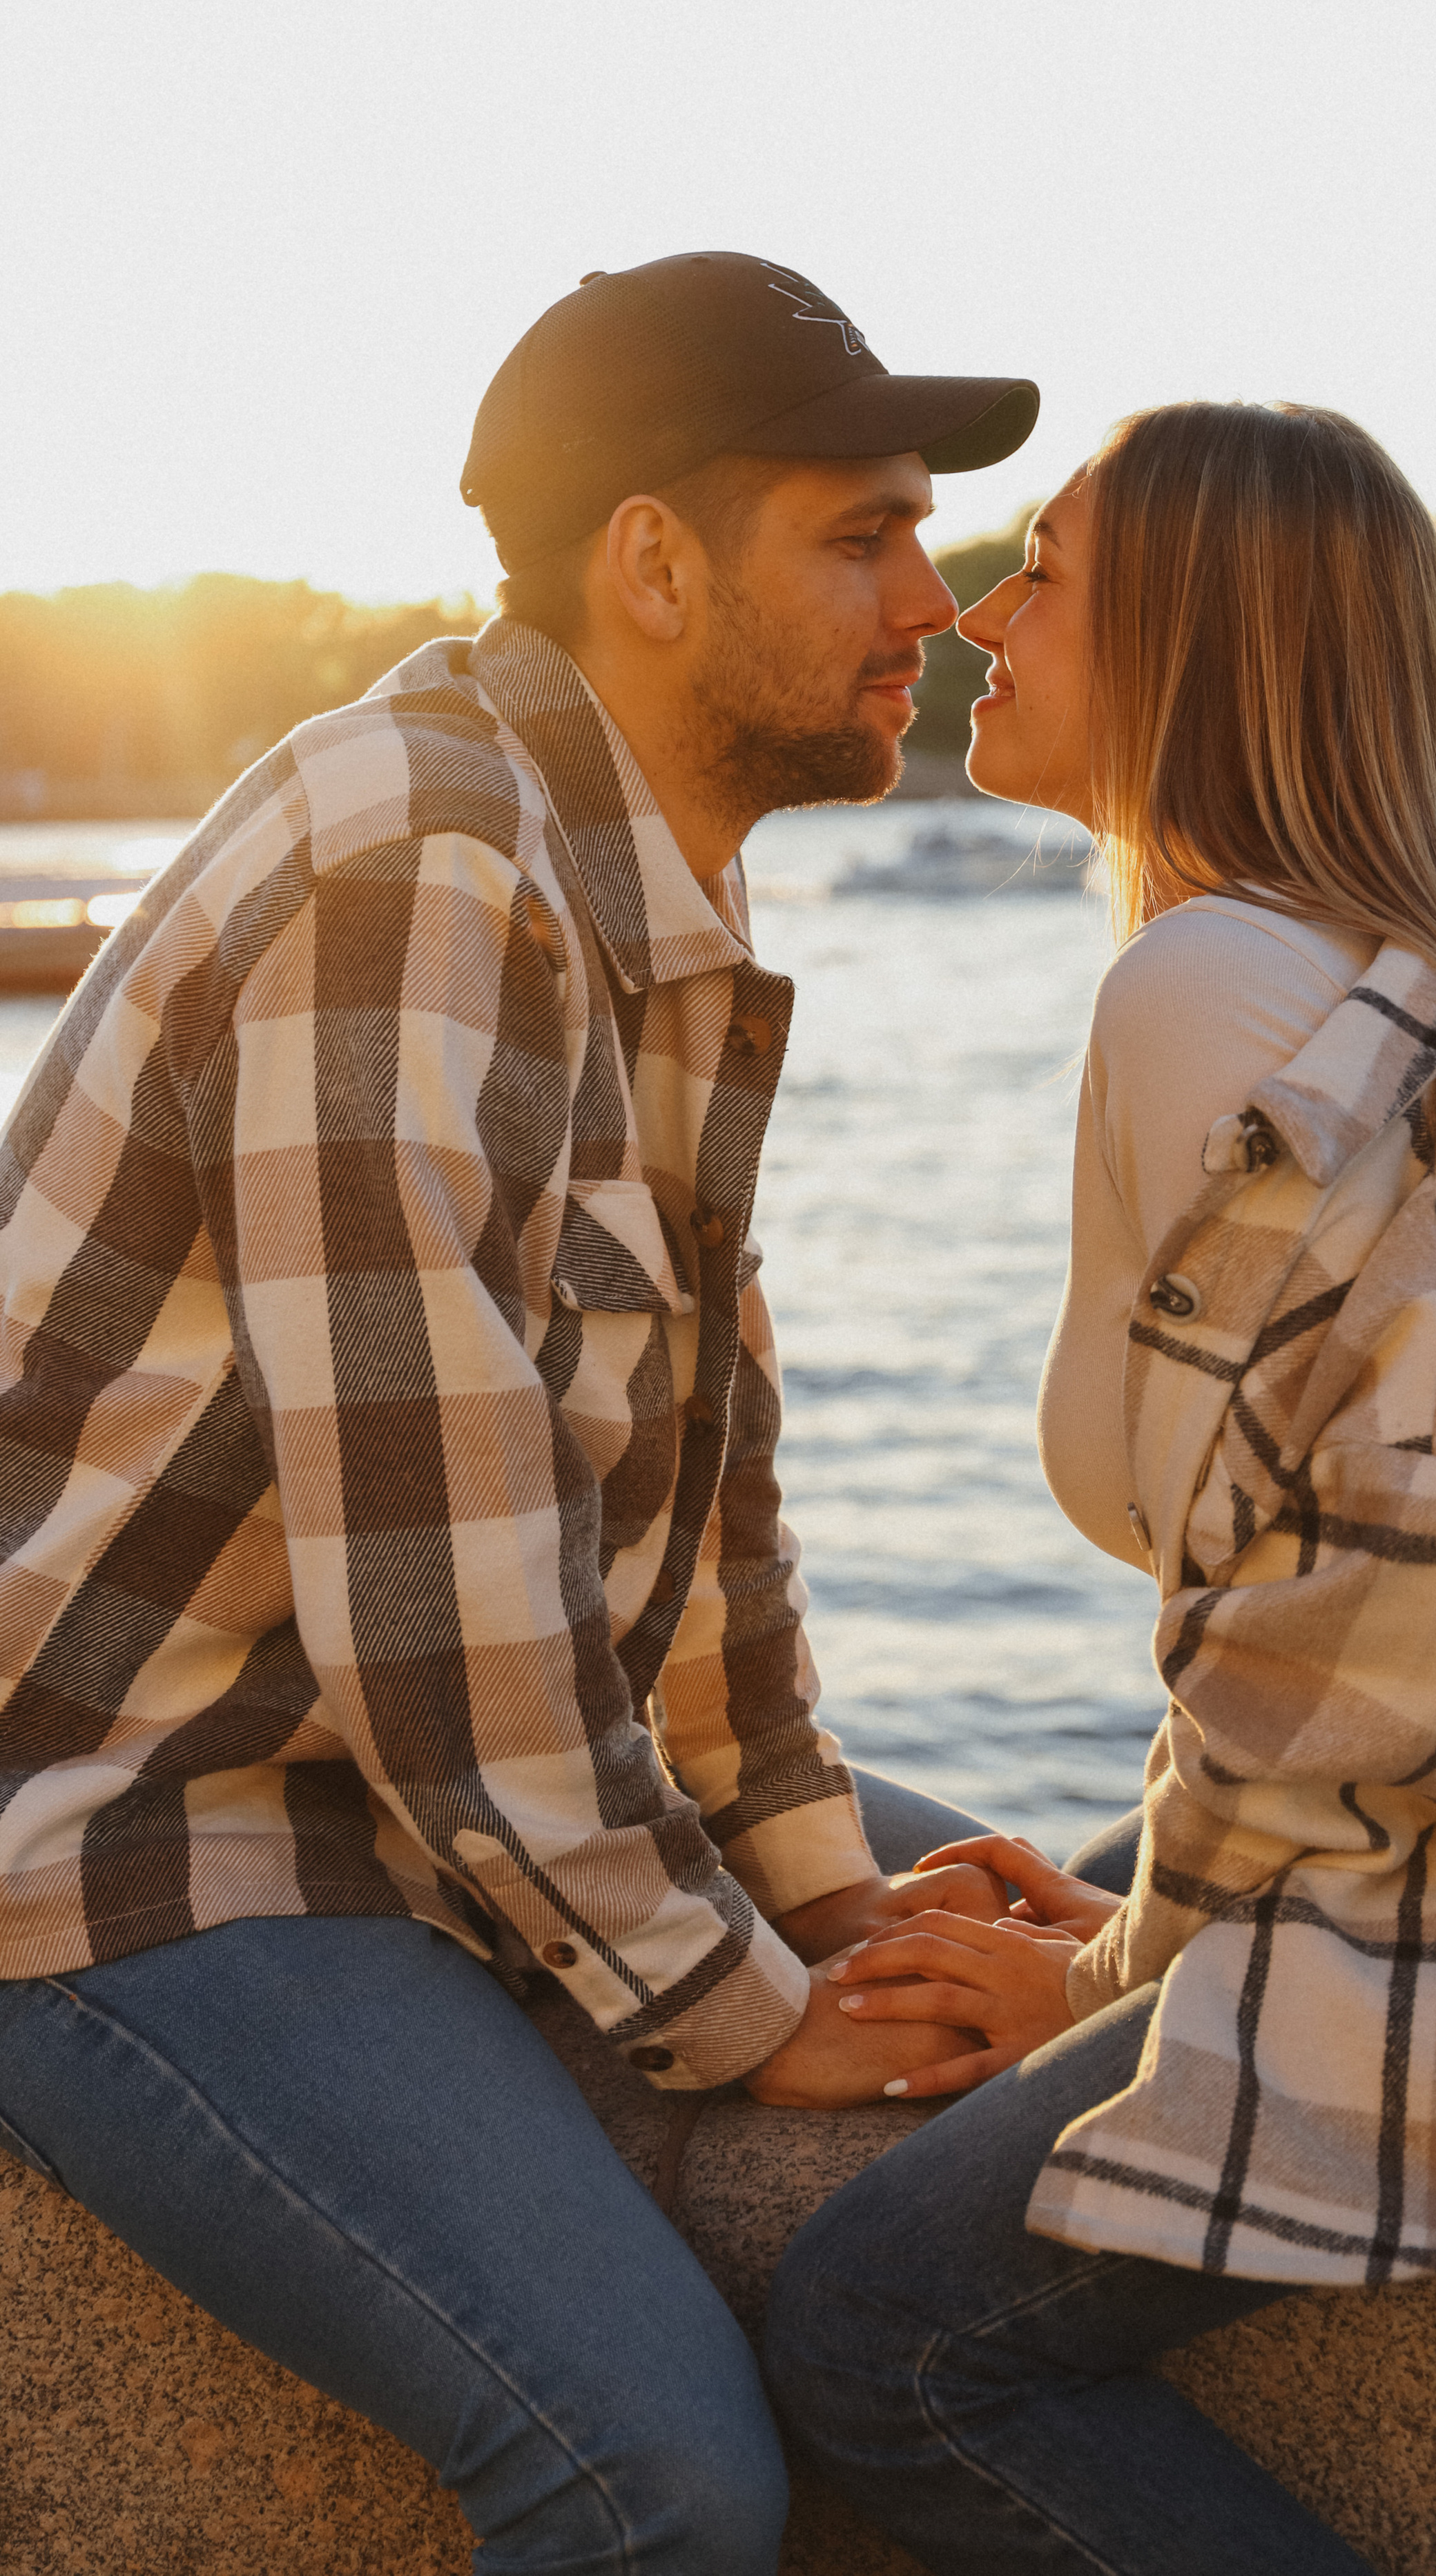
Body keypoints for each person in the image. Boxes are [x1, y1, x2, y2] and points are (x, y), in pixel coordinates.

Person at [0, 252, 1040, 2575]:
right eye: (860, 536)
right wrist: (738, 2003)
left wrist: (816, 1877)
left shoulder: (617, 883)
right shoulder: (421, 866)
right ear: (655, 563)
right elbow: (431, 1569)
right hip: (149, 1816)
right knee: (650, 2478)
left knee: (1072, 1976)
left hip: (383, 1764)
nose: (938, 599)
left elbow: (698, 1506)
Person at [766, 400, 1436, 2576]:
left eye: (1049, 575)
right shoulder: (1375, 973)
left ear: (1202, 647)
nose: (977, 616)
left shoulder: (1214, 992)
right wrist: (1133, 1912)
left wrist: (1122, 1970)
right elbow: (1346, 1569)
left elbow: (1412, 1575)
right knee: (923, 1873)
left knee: (878, 2334)